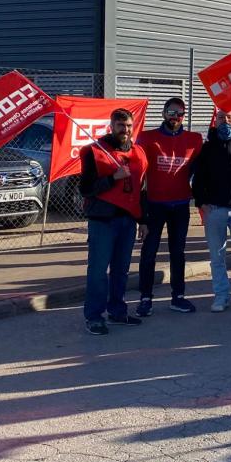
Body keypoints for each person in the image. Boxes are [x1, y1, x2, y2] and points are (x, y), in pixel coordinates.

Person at [79, 108, 148, 335]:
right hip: (102, 221)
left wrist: (143, 220)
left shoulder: (139, 153)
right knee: (98, 271)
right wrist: (112, 178)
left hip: (128, 221)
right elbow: (86, 189)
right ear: (112, 126)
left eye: (128, 125)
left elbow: (142, 190)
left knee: (121, 271)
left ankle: (117, 311)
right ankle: (94, 316)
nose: (125, 130)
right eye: (121, 125)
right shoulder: (94, 152)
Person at [134, 97, 204, 317]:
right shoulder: (147, 138)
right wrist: (140, 214)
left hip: (181, 204)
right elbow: (138, 173)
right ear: (164, 113)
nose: (176, 117)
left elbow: (205, 169)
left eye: (180, 114)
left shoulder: (195, 139)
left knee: (178, 253)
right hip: (155, 205)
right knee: (149, 253)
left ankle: (178, 297)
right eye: (172, 113)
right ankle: (145, 298)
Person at [191, 108, 231, 312]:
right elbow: (198, 179)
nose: (225, 120)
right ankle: (221, 296)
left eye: (230, 117)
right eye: (221, 117)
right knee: (217, 257)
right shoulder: (207, 148)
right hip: (215, 210)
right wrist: (201, 202)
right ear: (215, 121)